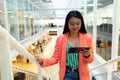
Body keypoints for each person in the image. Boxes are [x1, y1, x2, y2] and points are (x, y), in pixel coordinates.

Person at [35, 10, 94, 80]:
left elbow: (91, 60)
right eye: (72, 24)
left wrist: (87, 55)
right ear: (67, 24)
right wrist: (43, 60)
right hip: (67, 74)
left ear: (82, 23)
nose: (75, 26)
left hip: (83, 74)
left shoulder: (87, 38)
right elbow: (55, 58)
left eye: (78, 23)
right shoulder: (60, 39)